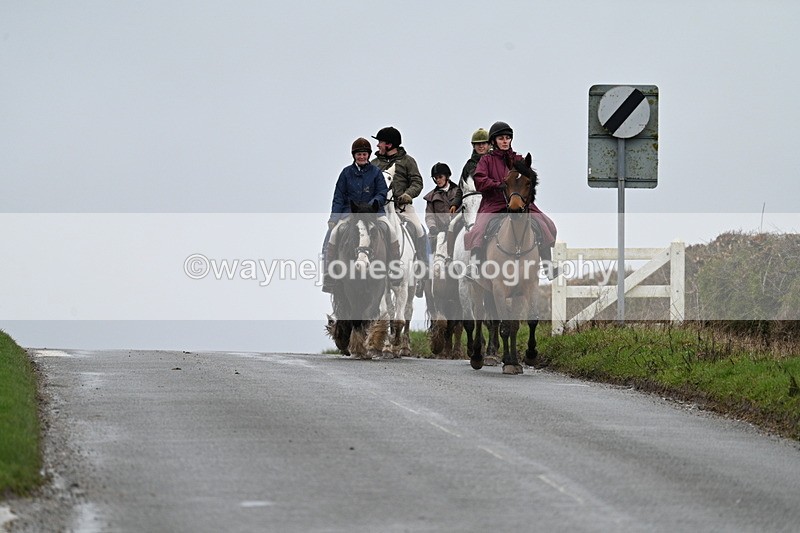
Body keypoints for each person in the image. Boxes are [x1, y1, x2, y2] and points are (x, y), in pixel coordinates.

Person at [463, 121, 558, 278]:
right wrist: (497, 185)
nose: (505, 141)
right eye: (501, 138)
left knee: (545, 223)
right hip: (494, 203)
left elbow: (531, 180)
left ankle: (548, 265)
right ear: (494, 141)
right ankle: (474, 265)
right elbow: (479, 180)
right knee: (479, 229)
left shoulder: (519, 159)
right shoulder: (486, 160)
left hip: (519, 202)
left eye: (508, 138)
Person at [322, 137, 395, 294]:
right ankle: (329, 273)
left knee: (390, 230)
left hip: (373, 212)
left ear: (368, 155)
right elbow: (338, 197)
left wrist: (372, 205)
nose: (362, 157)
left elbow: (382, 192)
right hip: (351, 212)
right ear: (354, 155)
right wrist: (334, 218)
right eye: (359, 154)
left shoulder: (376, 172)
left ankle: (395, 268)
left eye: (364, 154)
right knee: (332, 234)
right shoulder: (346, 173)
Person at [371, 126, 428, 296]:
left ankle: (422, 270)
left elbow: (417, 182)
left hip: (402, 207)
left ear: (389, 144)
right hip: (379, 209)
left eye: (380, 142)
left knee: (419, 230)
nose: (378, 145)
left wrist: (408, 194)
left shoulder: (408, 161)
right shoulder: (374, 164)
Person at [445, 128, 490, 260]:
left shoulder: (493, 162)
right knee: (453, 225)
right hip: (471, 205)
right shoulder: (468, 165)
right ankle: (450, 257)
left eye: (483, 143)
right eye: (477, 144)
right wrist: (455, 203)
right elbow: (461, 187)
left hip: (488, 203)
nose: (481, 146)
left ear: (489, 144)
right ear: (473, 146)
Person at [423, 162, 461, 256]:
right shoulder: (431, 197)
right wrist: (432, 227)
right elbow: (429, 215)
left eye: (440, 177)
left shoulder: (458, 192)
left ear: (447, 176)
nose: (438, 180)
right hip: (439, 231)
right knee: (426, 246)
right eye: (436, 178)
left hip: (456, 229)